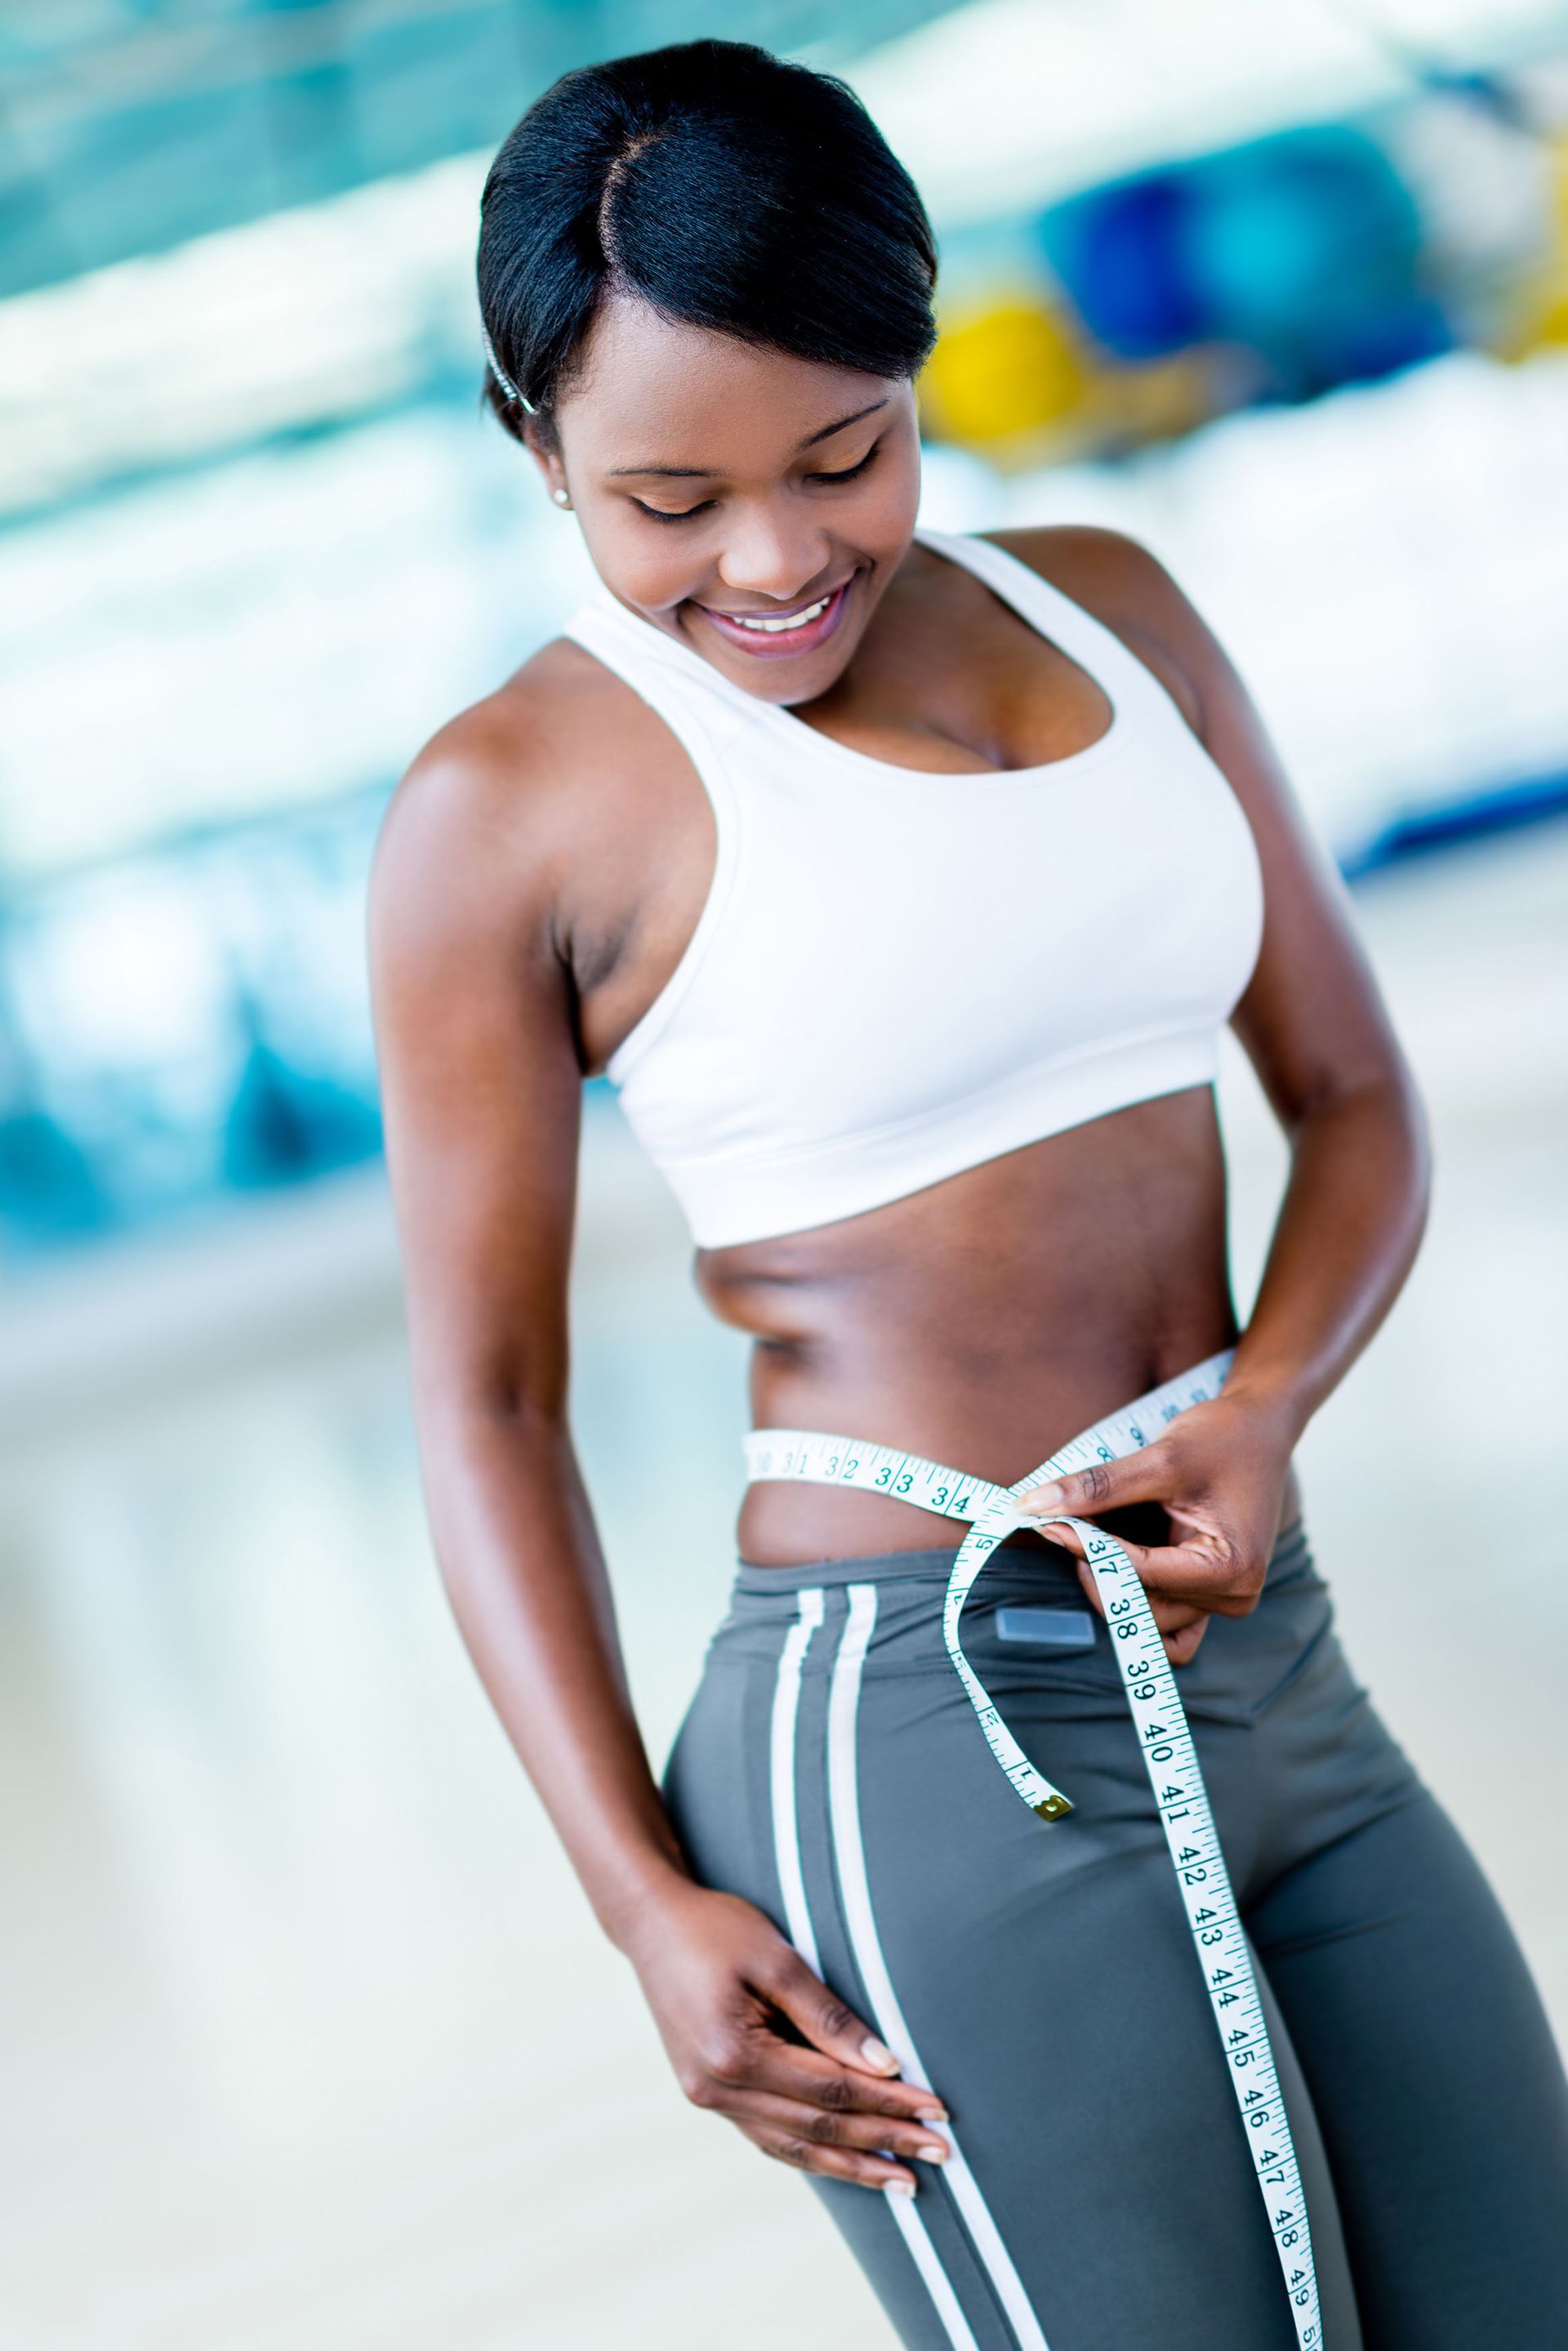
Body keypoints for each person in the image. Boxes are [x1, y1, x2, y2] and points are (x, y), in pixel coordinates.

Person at [367, 38, 1568, 2350]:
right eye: (667, 500)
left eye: (846, 454)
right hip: (914, 1731)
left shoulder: (1118, 612)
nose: (775, 558)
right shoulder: (505, 808)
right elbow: (484, 1404)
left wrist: (1271, 1407)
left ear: (919, 357)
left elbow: (1350, 1101)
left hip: (1272, 1659)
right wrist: (636, 1898)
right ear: (537, 447)